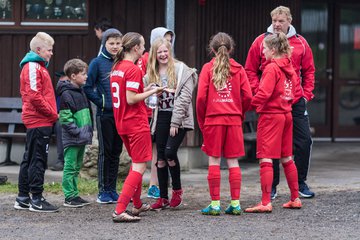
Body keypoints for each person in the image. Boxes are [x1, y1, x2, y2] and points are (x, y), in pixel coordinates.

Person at [245, 6, 315, 199]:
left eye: (281, 21)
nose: (277, 24)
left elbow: (309, 71)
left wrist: (306, 94)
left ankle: (300, 184)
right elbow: (250, 70)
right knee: (272, 145)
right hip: (271, 101)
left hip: (295, 100)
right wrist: (259, 90)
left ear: (289, 21)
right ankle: (272, 186)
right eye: (274, 20)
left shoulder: (301, 43)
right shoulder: (261, 41)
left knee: (304, 141)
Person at [244, 32, 302, 213]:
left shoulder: (271, 68)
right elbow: (294, 93)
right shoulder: (289, 68)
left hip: (271, 116)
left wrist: (246, 106)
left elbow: (263, 94)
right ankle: (295, 198)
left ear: (274, 49)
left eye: (265, 48)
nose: (263, 51)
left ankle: (265, 201)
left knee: (266, 157)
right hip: (286, 114)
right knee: (286, 157)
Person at [110, 32, 164, 222]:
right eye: (142, 46)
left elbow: (128, 95)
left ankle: (137, 205)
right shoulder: (132, 69)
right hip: (135, 123)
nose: (144, 49)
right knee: (139, 168)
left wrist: (147, 90)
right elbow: (131, 98)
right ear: (135, 48)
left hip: (122, 123)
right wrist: (154, 91)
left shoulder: (117, 67)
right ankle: (119, 210)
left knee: (136, 163)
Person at [196, 32, 252, 215]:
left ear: (212, 50)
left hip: (213, 119)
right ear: (231, 49)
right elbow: (248, 97)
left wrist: (202, 120)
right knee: (233, 161)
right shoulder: (239, 69)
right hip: (233, 119)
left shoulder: (207, 68)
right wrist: (240, 113)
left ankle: (214, 204)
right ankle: (235, 203)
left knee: (214, 160)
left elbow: (201, 98)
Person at [144, 37, 197, 210]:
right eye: (159, 52)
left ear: (170, 51)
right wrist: (152, 93)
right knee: (159, 158)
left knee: (169, 152)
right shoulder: (151, 73)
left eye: (165, 51)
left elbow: (185, 97)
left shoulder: (182, 70)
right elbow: (146, 100)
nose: (162, 54)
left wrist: (175, 122)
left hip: (179, 119)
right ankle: (163, 197)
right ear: (154, 54)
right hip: (161, 117)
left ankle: (177, 191)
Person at [14, 32, 59, 213]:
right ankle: (37, 199)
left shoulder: (37, 66)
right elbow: (34, 95)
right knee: (38, 160)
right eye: (49, 50)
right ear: (39, 50)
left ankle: (23, 197)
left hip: (38, 120)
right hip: (39, 120)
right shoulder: (33, 66)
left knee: (30, 158)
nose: (51, 53)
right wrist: (52, 113)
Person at [83, 28, 123, 204]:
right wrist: (102, 103)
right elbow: (87, 87)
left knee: (116, 152)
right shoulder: (97, 63)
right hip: (105, 115)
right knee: (105, 152)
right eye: (111, 43)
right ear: (104, 44)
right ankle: (103, 191)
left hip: (121, 115)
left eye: (117, 43)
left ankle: (112, 189)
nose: (115, 46)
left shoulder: (123, 63)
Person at [137, 27, 176, 199]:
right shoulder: (145, 60)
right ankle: (150, 185)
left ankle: (156, 185)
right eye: (164, 38)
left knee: (158, 150)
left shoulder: (172, 64)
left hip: (161, 111)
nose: (167, 43)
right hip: (148, 111)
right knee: (151, 150)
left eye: (170, 40)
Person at [57, 58, 93, 208]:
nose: (86, 77)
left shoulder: (81, 92)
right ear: (73, 76)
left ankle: (74, 194)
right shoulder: (66, 94)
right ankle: (69, 196)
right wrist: (77, 132)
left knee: (77, 167)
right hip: (73, 138)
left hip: (81, 137)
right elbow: (65, 119)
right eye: (83, 74)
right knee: (70, 167)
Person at [50, 71, 69, 171]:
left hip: (65, 121)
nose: (60, 80)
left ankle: (61, 160)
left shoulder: (71, 92)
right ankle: (38, 160)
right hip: (52, 119)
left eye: (63, 77)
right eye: (59, 78)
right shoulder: (57, 92)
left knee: (60, 124)